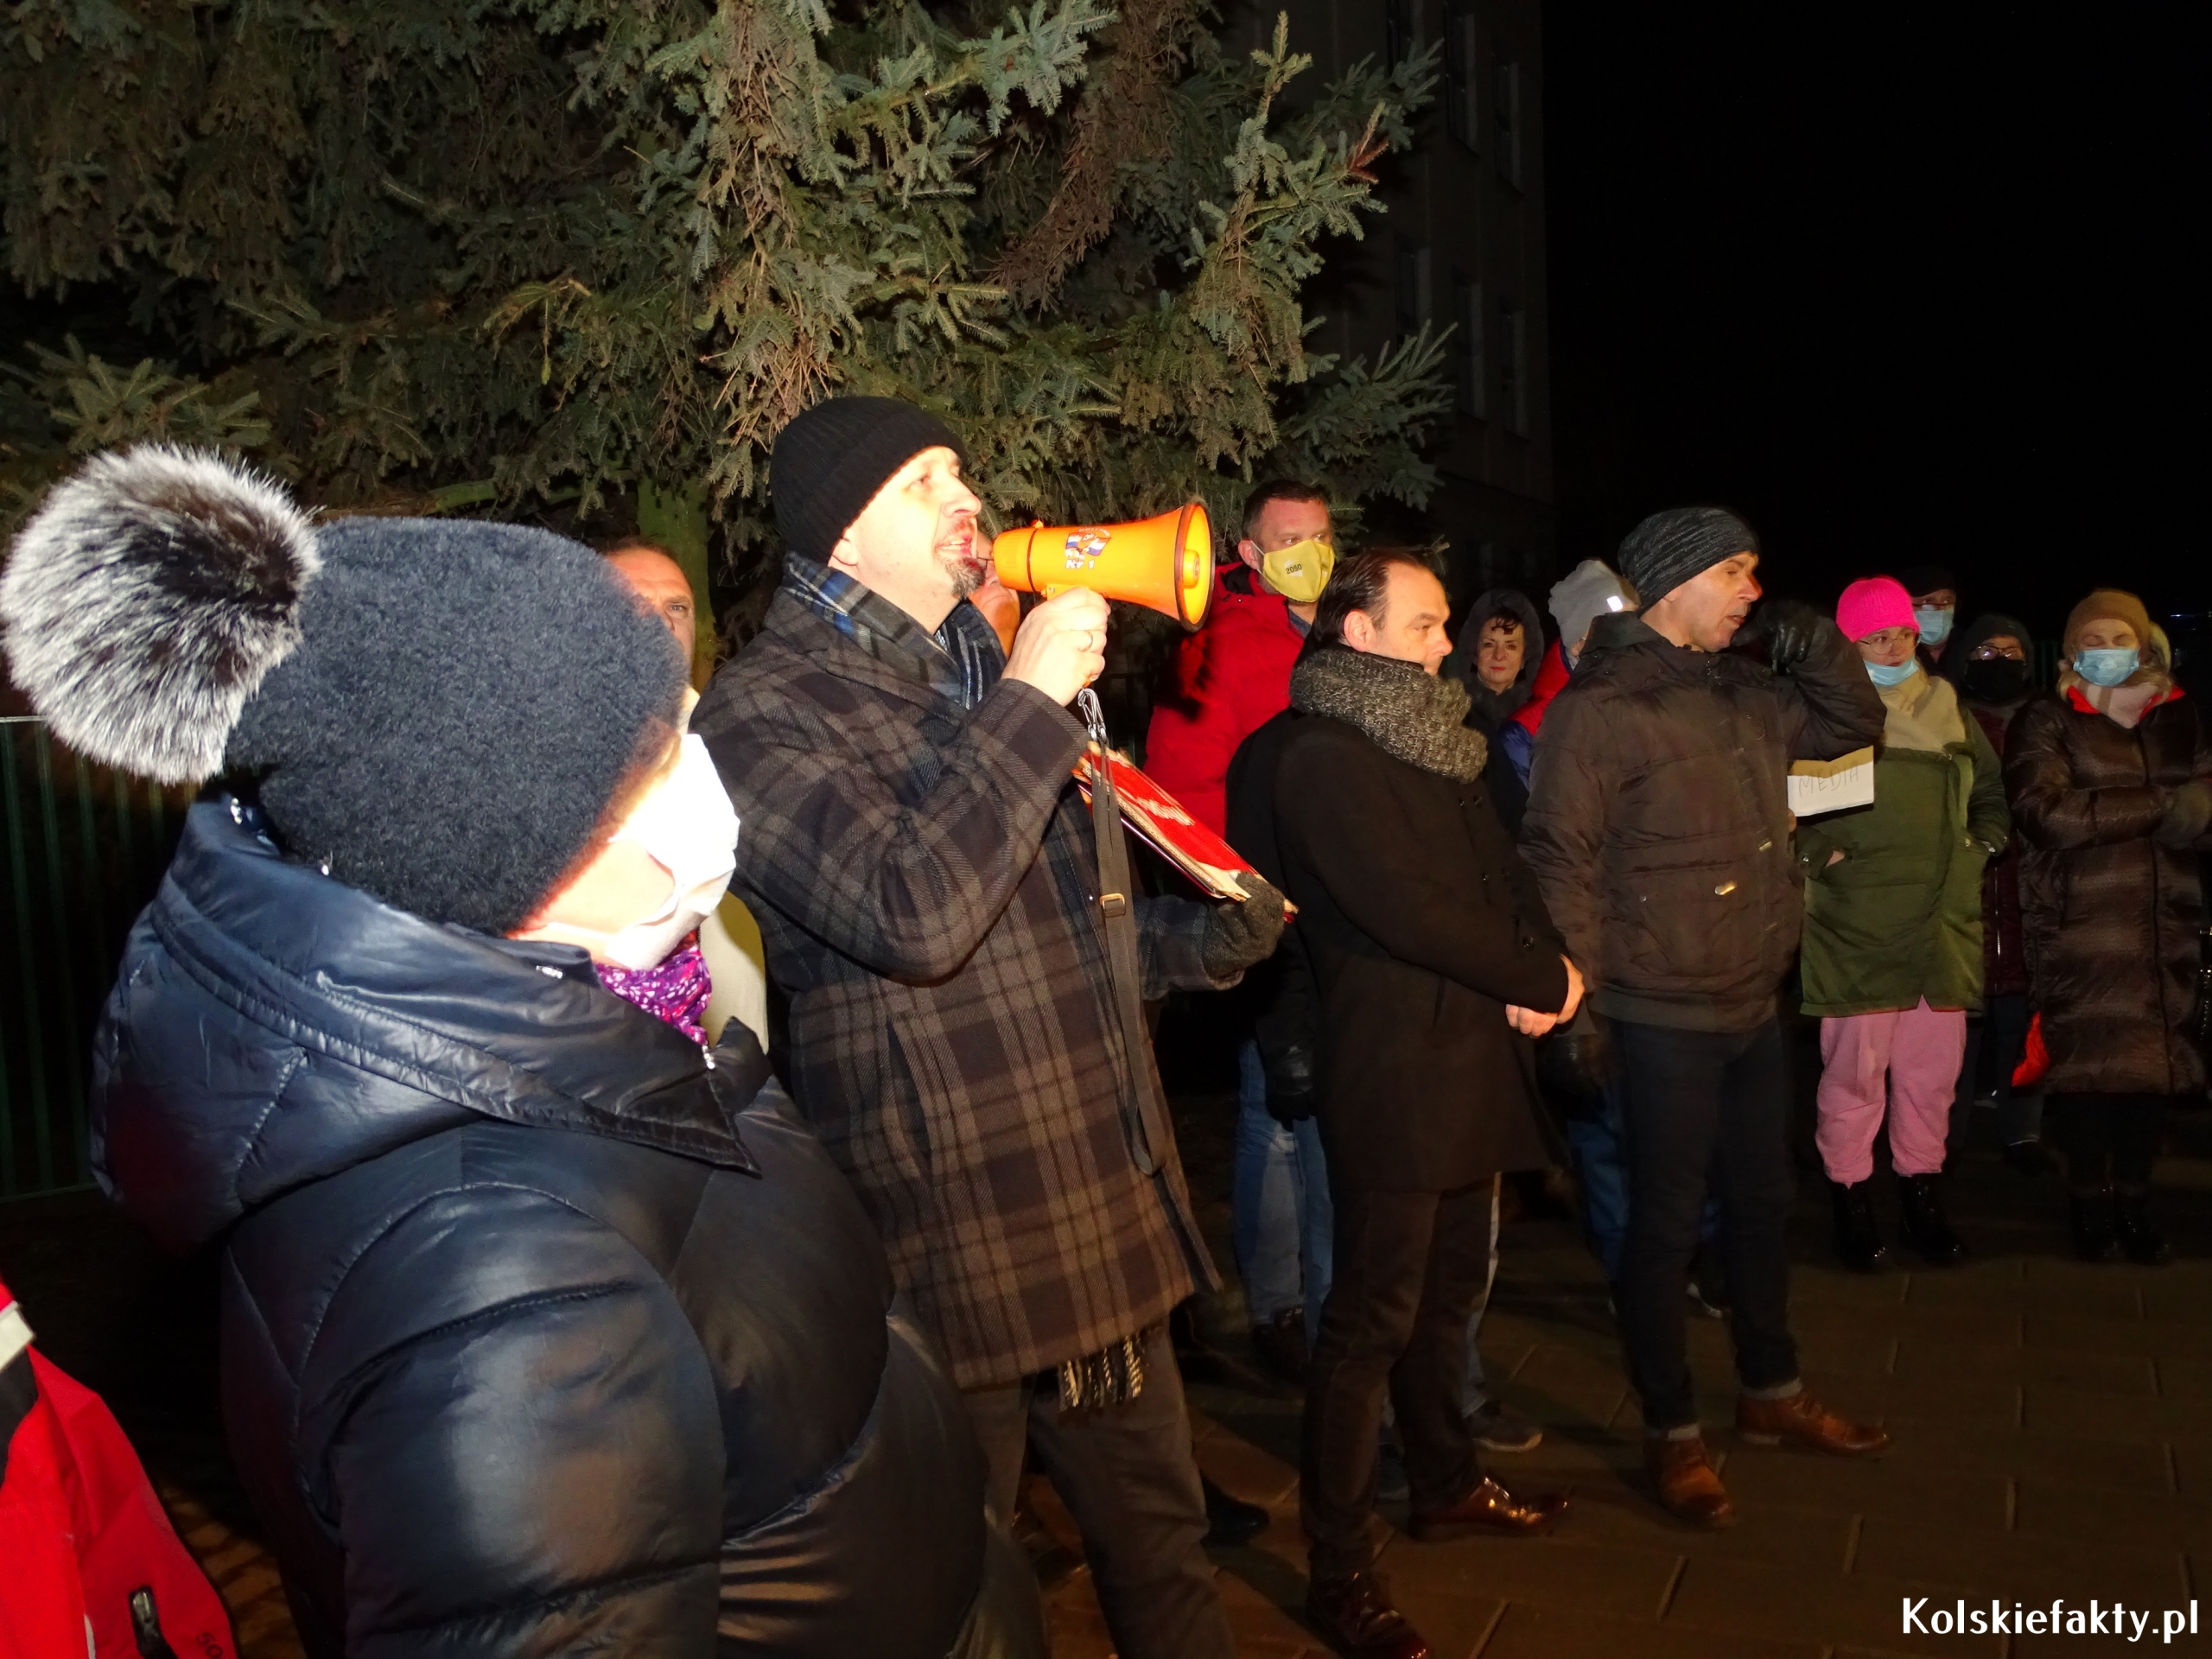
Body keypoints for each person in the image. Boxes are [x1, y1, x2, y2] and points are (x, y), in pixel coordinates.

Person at [0, 445, 1043, 1657]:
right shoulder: (492, 1285)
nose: (698, 779)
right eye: (651, 760)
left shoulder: (619, 1028)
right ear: (512, 846)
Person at [694, 397, 1287, 1659]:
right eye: (921, 482)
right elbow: (913, 915)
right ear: (840, 535)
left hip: (1095, 1194)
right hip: (947, 1227)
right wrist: (1029, 700)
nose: (965, 497)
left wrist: (1202, 942)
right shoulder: (758, 716)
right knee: (961, 1598)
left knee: (1165, 1552)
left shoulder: (982, 675)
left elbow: (1058, 929)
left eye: (958, 468)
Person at [1520, 505, 1891, 1529]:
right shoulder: (1598, 708)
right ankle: (1670, 1430)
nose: (1750, 592)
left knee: (1764, 1207)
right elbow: (1558, 861)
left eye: (1754, 573)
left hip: (1749, 1001)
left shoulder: (1742, 690)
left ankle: (1771, 1392)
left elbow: (1851, 726)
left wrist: (1816, 642)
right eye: (1733, 572)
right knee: (1665, 1224)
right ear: (1672, 581)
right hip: (1656, 1011)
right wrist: (1573, 1005)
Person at [1242, 548, 1574, 1659]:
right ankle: (1339, 1568)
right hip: (1392, 1065)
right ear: (1359, 631)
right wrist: (1535, 976)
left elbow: (1499, 871)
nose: (1447, 644)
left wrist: (1549, 964)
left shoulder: (1437, 736)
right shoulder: (1316, 755)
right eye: (1426, 625)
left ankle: (1445, 1482)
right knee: (1368, 1324)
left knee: (1446, 1298)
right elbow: (1407, 908)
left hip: (1470, 1051)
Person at [1146, 479, 1333, 1385]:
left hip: (1343, 911)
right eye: (1289, 540)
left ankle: (1327, 1291)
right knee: (1277, 1113)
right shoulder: (1217, 644)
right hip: (1270, 914)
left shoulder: (1343, 631)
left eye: (1321, 536)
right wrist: (1247, 896)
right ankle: (1277, 1305)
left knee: (1325, 1109)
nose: (1310, 554)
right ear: (1251, 554)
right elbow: (1180, 791)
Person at [1797, 578, 2008, 1272]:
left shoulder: (1948, 705)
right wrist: (1816, 857)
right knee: (1855, 1073)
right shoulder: (1824, 708)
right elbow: (1777, 797)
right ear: (1848, 645)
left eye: (1903, 635)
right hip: (1859, 922)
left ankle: (1922, 1195)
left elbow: (1991, 792)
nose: (1893, 648)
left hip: (1941, 923)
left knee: (1932, 1074)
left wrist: (1981, 845)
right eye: (1876, 638)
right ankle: (1850, 1198)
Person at [2007, 588, 2212, 1265]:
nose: (2106, 651)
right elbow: (2047, 815)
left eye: (2118, 638)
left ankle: (2134, 1200)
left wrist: (2192, 812)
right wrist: (2160, 804)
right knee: (2091, 1075)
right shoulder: (2048, 718)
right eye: (2090, 641)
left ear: (2144, 645)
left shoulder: (2180, 717)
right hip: (2084, 927)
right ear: (2070, 652)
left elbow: (2206, 805)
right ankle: (2088, 1200)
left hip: (2164, 927)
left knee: (2149, 1078)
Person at [1947, 611, 2046, 1171]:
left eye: (2011, 652)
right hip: (1967, 888)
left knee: (2023, 1026)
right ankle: (1944, 1135)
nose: (1999, 662)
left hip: (2030, 889)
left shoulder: (2044, 720)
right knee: (1957, 1030)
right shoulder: (1949, 716)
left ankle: (2023, 1134)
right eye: (1985, 652)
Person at [1441, 587, 1543, 734]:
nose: (1499, 655)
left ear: (1525, 656)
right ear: (1474, 653)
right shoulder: (1449, 712)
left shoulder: (1542, 716)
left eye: (1510, 646)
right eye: (1489, 644)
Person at [1899, 562, 1959, 675]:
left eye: (1947, 600)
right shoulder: (1895, 653)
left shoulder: (1970, 645)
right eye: (1927, 601)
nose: (1940, 608)